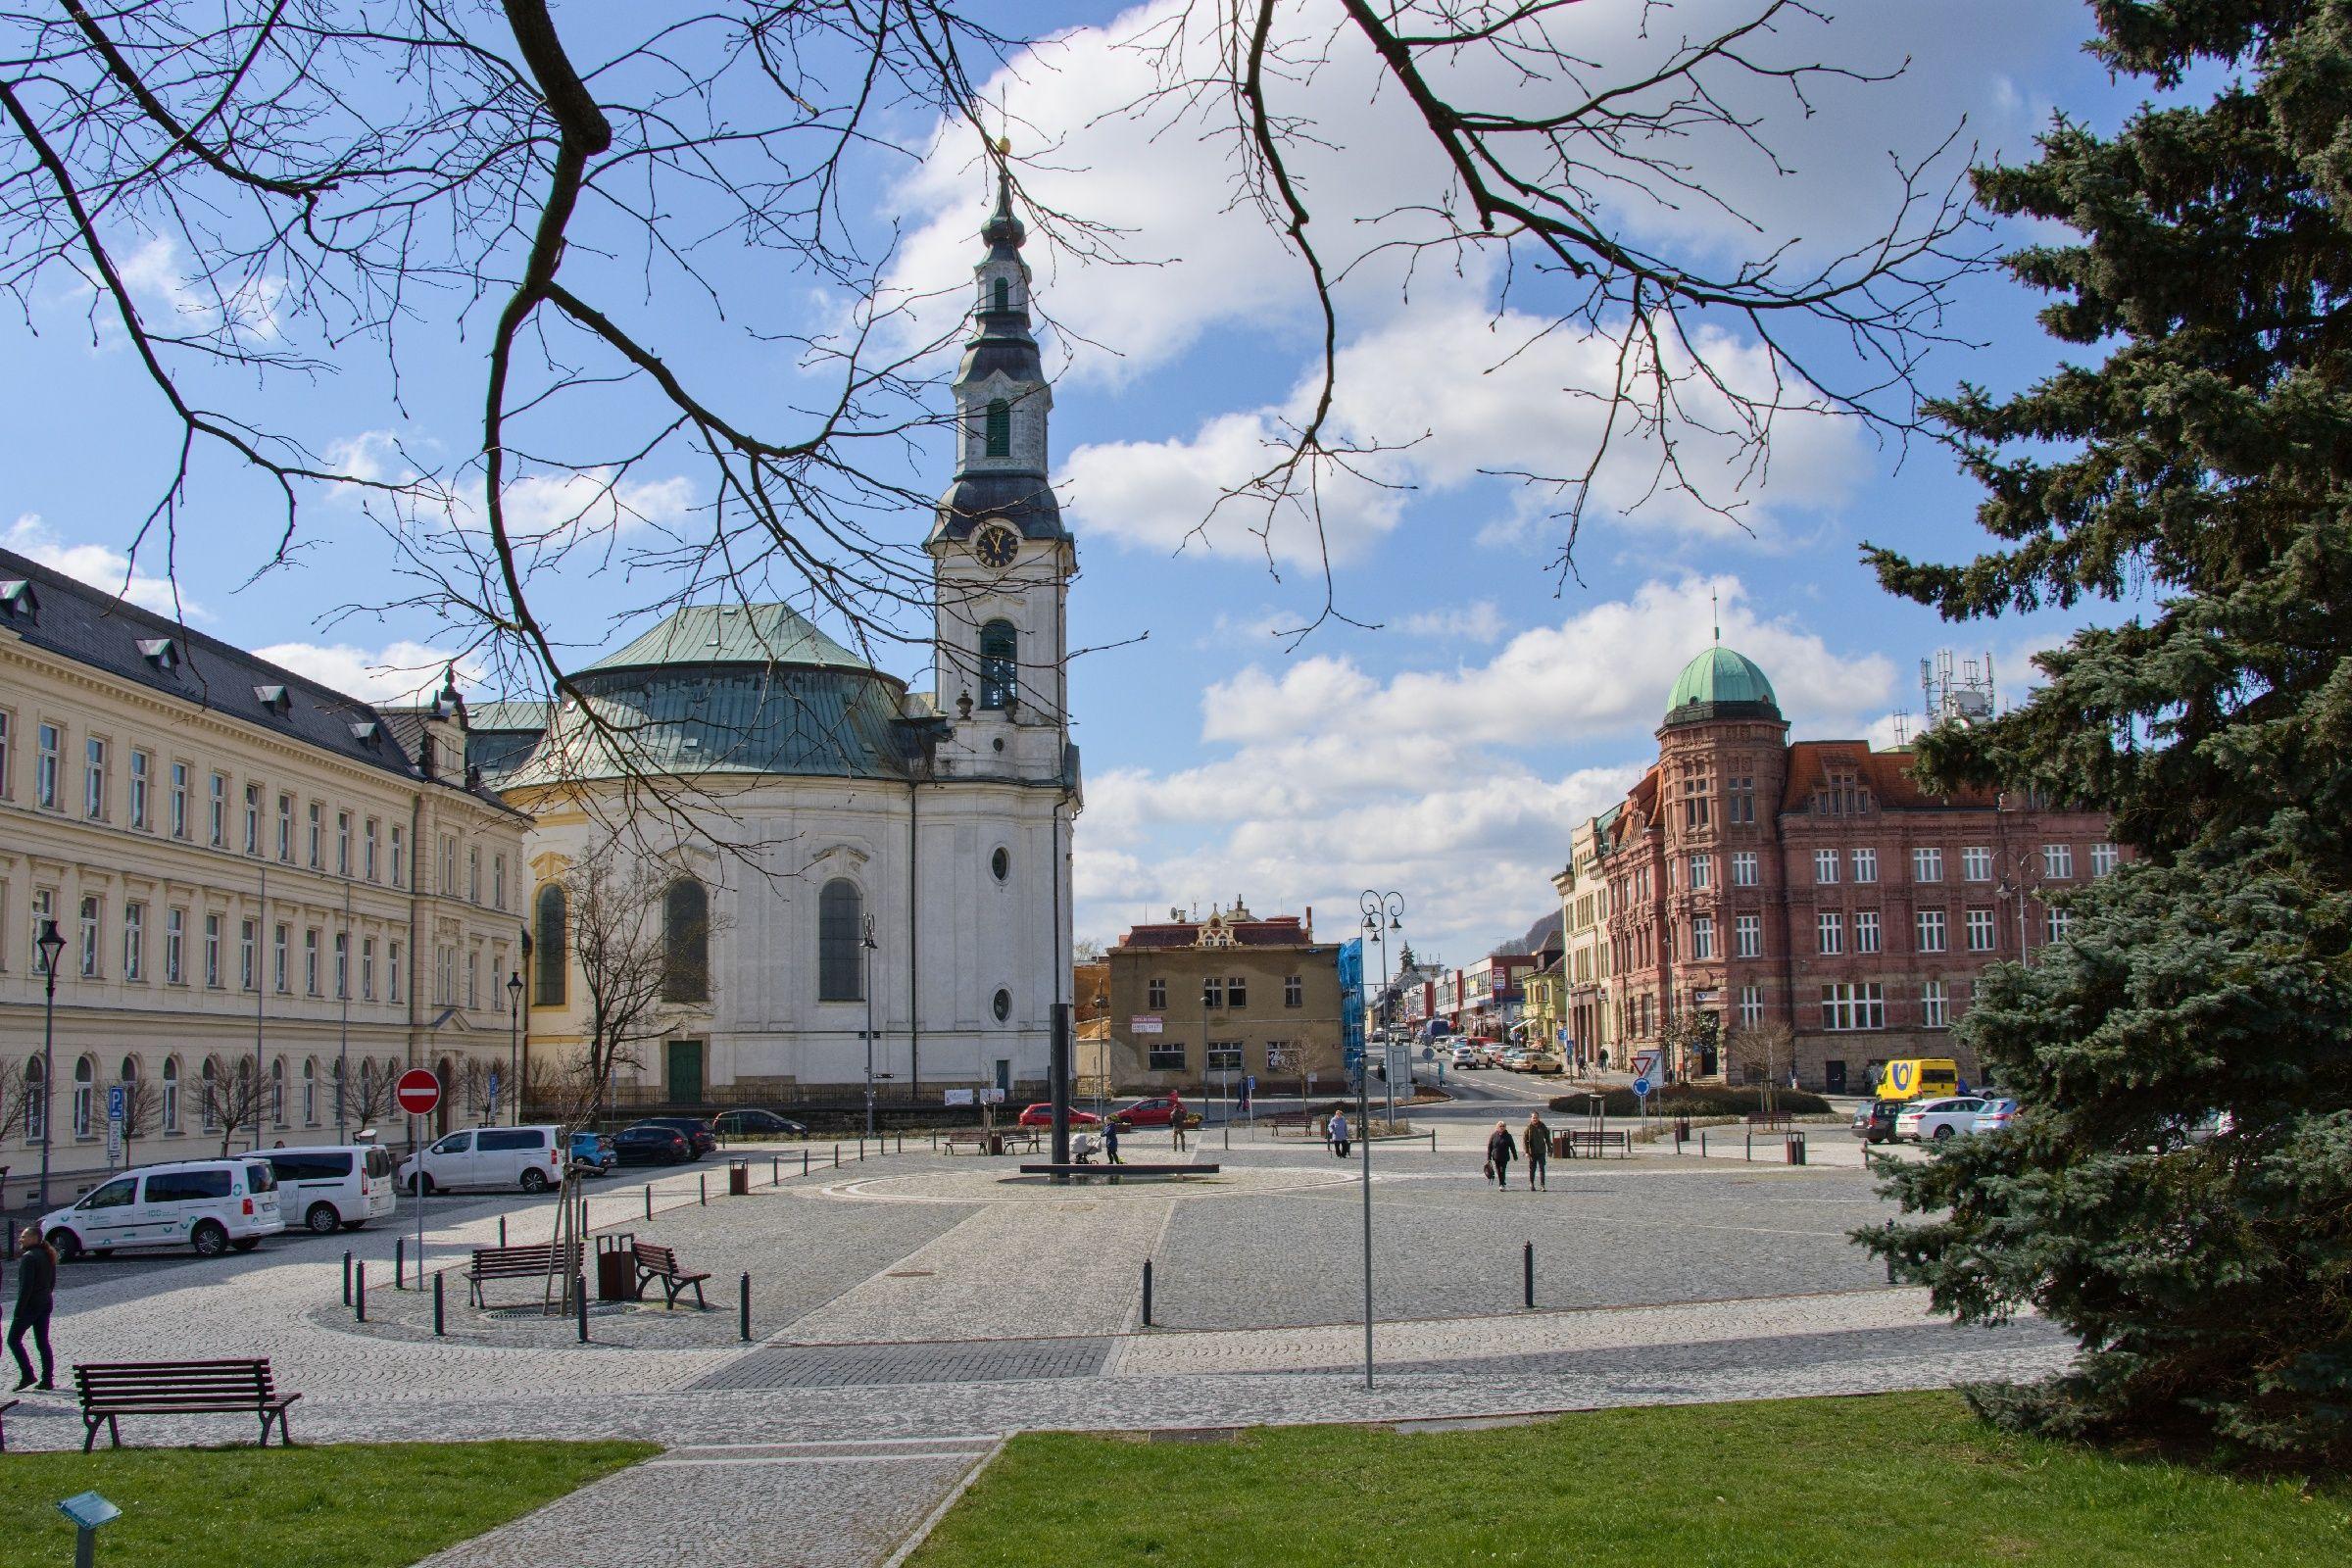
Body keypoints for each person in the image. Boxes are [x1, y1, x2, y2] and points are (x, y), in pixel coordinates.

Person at [10, 1225, 55, 1391]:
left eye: (24, 1236)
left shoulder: (29, 1257)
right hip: (45, 1303)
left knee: (13, 1340)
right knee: (43, 1342)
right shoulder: (47, 1254)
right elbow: (52, 1282)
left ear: (34, 1238)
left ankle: (28, 1374)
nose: (20, 1239)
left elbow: (25, 1288)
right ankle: (47, 1379)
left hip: (30, 1306)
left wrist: (18, 1311)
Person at [1485, 1120, 1515, 1192]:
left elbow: (1512, 1146)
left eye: (1503, 1126)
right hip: (1496, 1157)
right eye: (1500, 1126)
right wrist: (1489, 1157)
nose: (1502, 1127)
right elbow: (1490, 1147)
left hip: (1504, 1157)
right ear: (1497, 1127)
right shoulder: (1494, 1135)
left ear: (1505, 1127)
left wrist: (1515, 1155)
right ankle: (1502, 1183)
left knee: (1502, 1170)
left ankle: (1502, 1184)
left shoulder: (1508, 1136)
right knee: (1498, 1171)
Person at [1524, 1112, 1551, 1191]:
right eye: (1533, 1118)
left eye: (1536, 1117)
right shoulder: (1528, 1128)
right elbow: (1525, 1140)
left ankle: (1542, 1185)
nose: (1535, 1119)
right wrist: (1526, 1152)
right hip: (1532, 1152)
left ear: (1539, 1118)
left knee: (1542, 1168)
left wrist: (1549, 1149)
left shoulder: (1542, 1126)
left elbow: (1547, 1138)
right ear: (1531, 1119)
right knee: (1532, 1169)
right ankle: (1531, 1184)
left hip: (1541, 1151)